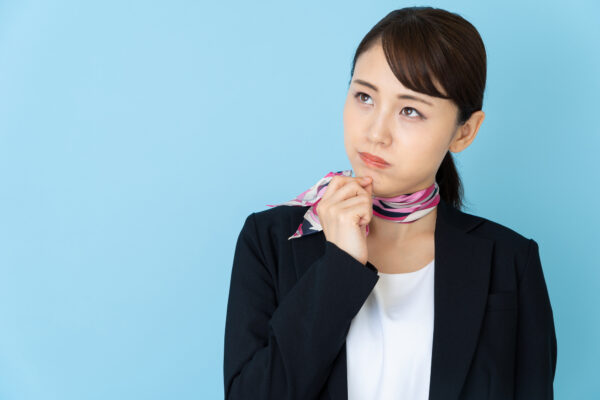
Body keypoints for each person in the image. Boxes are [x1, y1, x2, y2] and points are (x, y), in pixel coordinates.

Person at [223, 6, 557, 400]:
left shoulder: (511, 261)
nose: (376, 133)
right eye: (364, 96)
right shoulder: (271, 240)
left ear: (464, 132)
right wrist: (340, 266)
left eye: (410, 110)